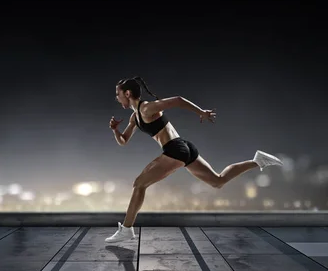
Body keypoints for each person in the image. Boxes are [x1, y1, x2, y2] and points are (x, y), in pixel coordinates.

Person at [105, 76, 283, 243]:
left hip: (175, 149)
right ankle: (258, 161)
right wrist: (115, 130)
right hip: (185, 147)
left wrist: (201, 112)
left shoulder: (146, 108)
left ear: (127, 93)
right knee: (217, 181)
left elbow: (178, 100)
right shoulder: (134, 117)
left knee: (139, 184)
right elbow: (123, 141)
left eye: (118, 94)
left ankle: (127, 229)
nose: (117, 98)